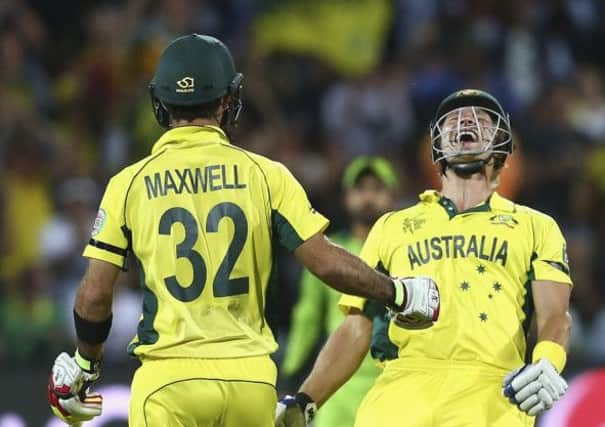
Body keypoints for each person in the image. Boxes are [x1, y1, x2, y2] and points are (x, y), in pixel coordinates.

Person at [46, 34, 440, 427]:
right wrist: (398, 292)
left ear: (160, 102)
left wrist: (85, 364)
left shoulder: (128, 184)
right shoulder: (266, 175)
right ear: (226, 100)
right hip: (249, 381)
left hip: (169, 381)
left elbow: (95, 295)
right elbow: (325, 264)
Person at [276, 89, 572, 427]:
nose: (466, 120)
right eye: (452, 120)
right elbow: (358, 323)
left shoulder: (536, 226)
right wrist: (306, 399)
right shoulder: (392, 226)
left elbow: (555, 315)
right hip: (400, 393)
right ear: (435, 145)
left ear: (502, 145)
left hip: (489, 394)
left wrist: (547, 361)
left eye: (484, 120)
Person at [281, 156, 398, 427]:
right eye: (360, 189)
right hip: (338, 388)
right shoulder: (329, 258)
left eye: (377, 189)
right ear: (346, 197)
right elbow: (306, 319)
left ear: (392, 196)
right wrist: (290, 375)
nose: (368, 197)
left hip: (389, 384)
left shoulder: (405, 253)